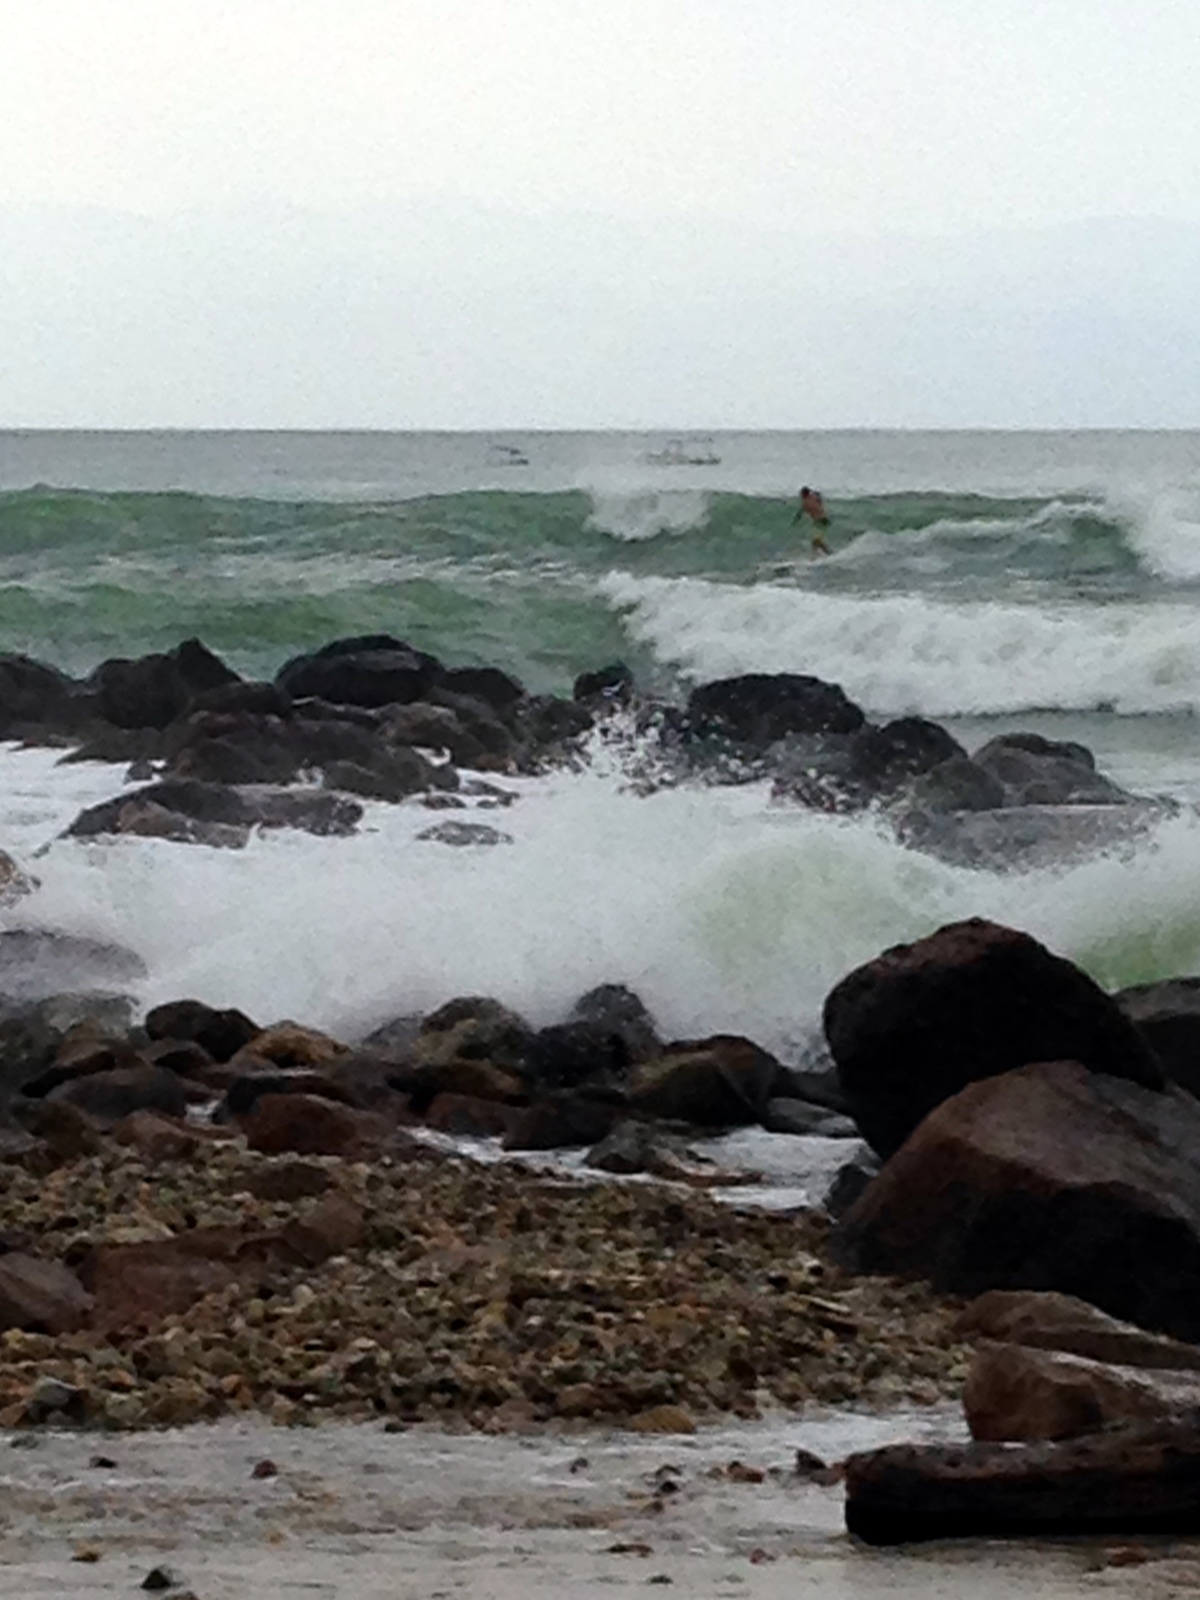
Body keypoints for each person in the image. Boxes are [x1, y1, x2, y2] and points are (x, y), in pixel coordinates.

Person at [794, 486, 831, 556]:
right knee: (815, 542)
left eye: (801, 494)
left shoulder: (805, 502)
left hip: (819, 521)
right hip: (824, 520)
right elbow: (820, 497)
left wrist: (795, 521)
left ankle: (828, 553)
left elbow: (800, 513)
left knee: (816, 541)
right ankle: (817, 556)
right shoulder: (814, 498)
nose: (800, 496)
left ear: (804, 494)